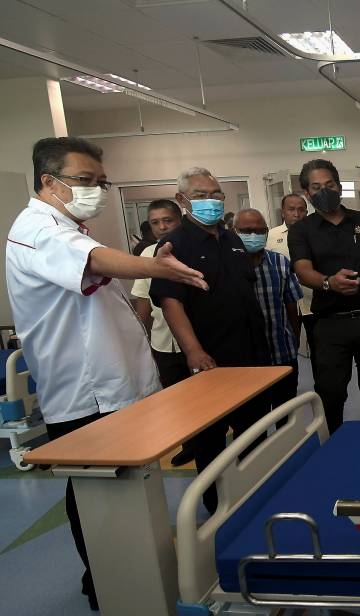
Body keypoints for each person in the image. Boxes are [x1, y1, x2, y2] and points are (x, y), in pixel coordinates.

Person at [5, 137, 206, 610]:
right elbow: (94, 262)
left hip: (112, 389)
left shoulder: (69, 227)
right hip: (85, 394)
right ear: (48, 181)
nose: (95, 190)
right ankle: (108, 582)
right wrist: (157, 267)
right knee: (95, 493)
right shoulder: (36, 228)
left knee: (122, 489)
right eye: (84, 180)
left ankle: (131, 570)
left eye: (100, 181)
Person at [149, 166, 271, 513]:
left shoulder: (233, 240)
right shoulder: (174, 245)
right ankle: (217, 506)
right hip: (210, 359)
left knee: (253, 431)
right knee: (210, 437)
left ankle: (253, 497)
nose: (211, 201)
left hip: (250, 355)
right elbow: (170, 302)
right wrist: (194, 350)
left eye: (215, 195)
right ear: (182, 200)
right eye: (200, 195)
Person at [287, 159, 360, 431]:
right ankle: (334, 444)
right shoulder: (302, 230)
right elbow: (302, 270)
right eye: (316, 187)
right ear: (307, 193)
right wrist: (328, 283)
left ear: (339, 187)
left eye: (329, 185)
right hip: (330, 324)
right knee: (331, 393)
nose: (324, 191)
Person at [129, 199, 195, 466]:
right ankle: (189, 444)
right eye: (155, 222)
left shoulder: (192, 249)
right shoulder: (146, 256)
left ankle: (211, 440)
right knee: (176, 398)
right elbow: (143, 301)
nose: (162, 227)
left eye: (168, 220)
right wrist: (142, 339)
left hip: (195, 338)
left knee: (204, 396)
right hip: (163, 341)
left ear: (179, 220)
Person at [234, 208, 303, 409]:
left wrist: (294, 338)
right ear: (234, 232)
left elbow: (291, 306)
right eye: (246, 231)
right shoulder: (227, 266)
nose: (253, 235)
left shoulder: (280, 262)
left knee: (286, 412)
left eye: (259, 230)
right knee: (254, 416)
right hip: (247, 360)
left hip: (282, 351)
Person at [266, 193, 315, 373]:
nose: (296, 214)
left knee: (319, 349)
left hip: (312, 302)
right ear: (283, 212)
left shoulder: (315, 235)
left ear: (306, 212)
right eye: (291, 209)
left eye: (301, 210)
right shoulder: (270, 236)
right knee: (287, 349)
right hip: (284, 305)